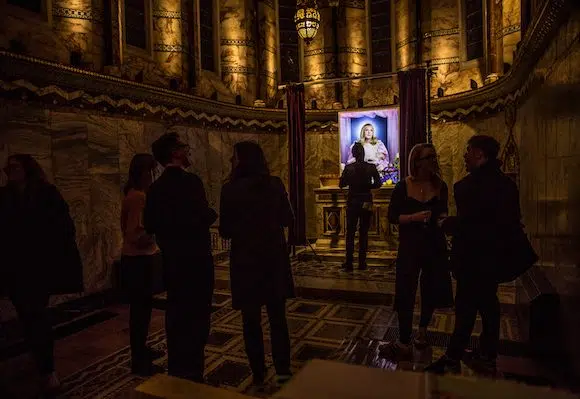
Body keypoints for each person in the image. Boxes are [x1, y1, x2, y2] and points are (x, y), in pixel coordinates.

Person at [425, 135, 523, 376]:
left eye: (468, 151)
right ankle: (487, 355)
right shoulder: (508, 186)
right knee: (490, 306)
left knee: (466, 308)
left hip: (471, 259)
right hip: (495, 258)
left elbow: (470, 225)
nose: (464, 156)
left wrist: (446, 223)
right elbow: (509, 221)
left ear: (479, 154)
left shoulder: (467, 187)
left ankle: (452, 358)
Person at [0, 154, 83, 395]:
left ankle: (48, 370)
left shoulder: (46, 194)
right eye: (7, 167)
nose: (8, 171)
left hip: (38, 268)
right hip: (14, 268)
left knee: (36, 314)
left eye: (14, 167)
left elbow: (64, 228)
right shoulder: (5, 196)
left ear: (27, 169)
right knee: (27, 315)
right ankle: (38, 358)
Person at [219, 141, 294, 389]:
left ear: (241, 160)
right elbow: (287, 218)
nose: (231, 160)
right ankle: (283, 370)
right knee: (277, 319)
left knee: (250, 321)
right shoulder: (274, 185)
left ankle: (259, 373)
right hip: (273, 259)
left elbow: (226, 231)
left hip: (245, 261)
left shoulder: (229, 190)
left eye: (233, 157)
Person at [143, 133, 217, 382]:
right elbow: (202, 216)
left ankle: (176, 367)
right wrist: (210, 214)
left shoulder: (155, 188)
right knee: (198, 316)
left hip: (172, 262)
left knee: (176, 314)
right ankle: (194, 370)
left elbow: (150, 223)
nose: (188, 152)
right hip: (197, 261)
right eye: (185, 148)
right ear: (175, 153)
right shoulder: (191, 182)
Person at [379, 143, 453, 359]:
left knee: (429, 288)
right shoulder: (403, 186)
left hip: (434, 244)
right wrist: (414, 218)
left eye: (434, 156)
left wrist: (444, 222)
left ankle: (422, 332)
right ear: (417, 162)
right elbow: (393, 217)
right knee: (406, 291)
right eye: (428, 157)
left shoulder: (441, 186)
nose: (433, 161)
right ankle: (403, 340)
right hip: (410, 245)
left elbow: (443, 213)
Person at [121, 154, 164, 376]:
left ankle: (141, 350)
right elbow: (135, 234)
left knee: (142, 310)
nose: (154, 175)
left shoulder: (135, 194)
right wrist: (159, 231)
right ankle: (138, 359)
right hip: (139, 260)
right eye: (151, 171)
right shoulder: (139, 197)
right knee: (140, 312)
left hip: (138, 259)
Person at [339, 142, 382, 271]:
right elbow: (378, 184)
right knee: (364, 233)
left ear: (353, 154)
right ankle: (362, 263)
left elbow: (342, 184)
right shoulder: (371, 167)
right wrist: (367, 187)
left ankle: (349, 263)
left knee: (350, 233)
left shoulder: (349, 168)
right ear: (363, 153)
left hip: (352, 201)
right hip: (366, 201)